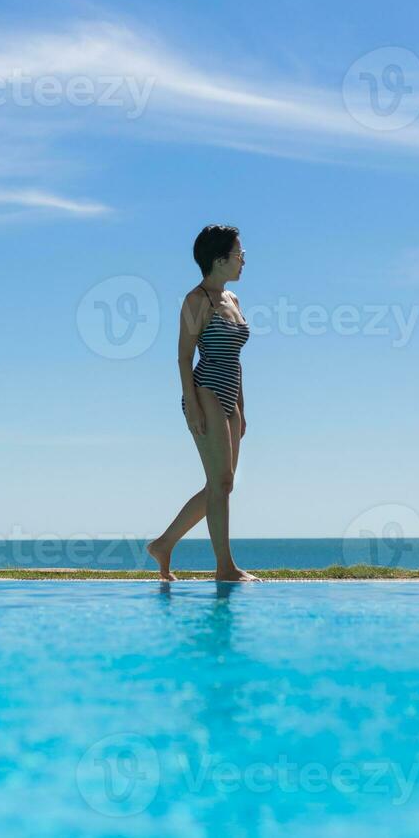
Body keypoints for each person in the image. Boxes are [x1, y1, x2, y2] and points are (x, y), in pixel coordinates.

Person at [147, 225, 258, 582]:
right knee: (221, 481)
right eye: (239, 254)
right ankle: (225, 567)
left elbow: (236, 358)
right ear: (219, 259)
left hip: (230, 395)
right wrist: (192, 405)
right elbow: (183, 357)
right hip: (205, 391)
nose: (244, 261)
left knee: (221, 485)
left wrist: (241, 407)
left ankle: (163, 545)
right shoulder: (197, 300)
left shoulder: (233, 301)